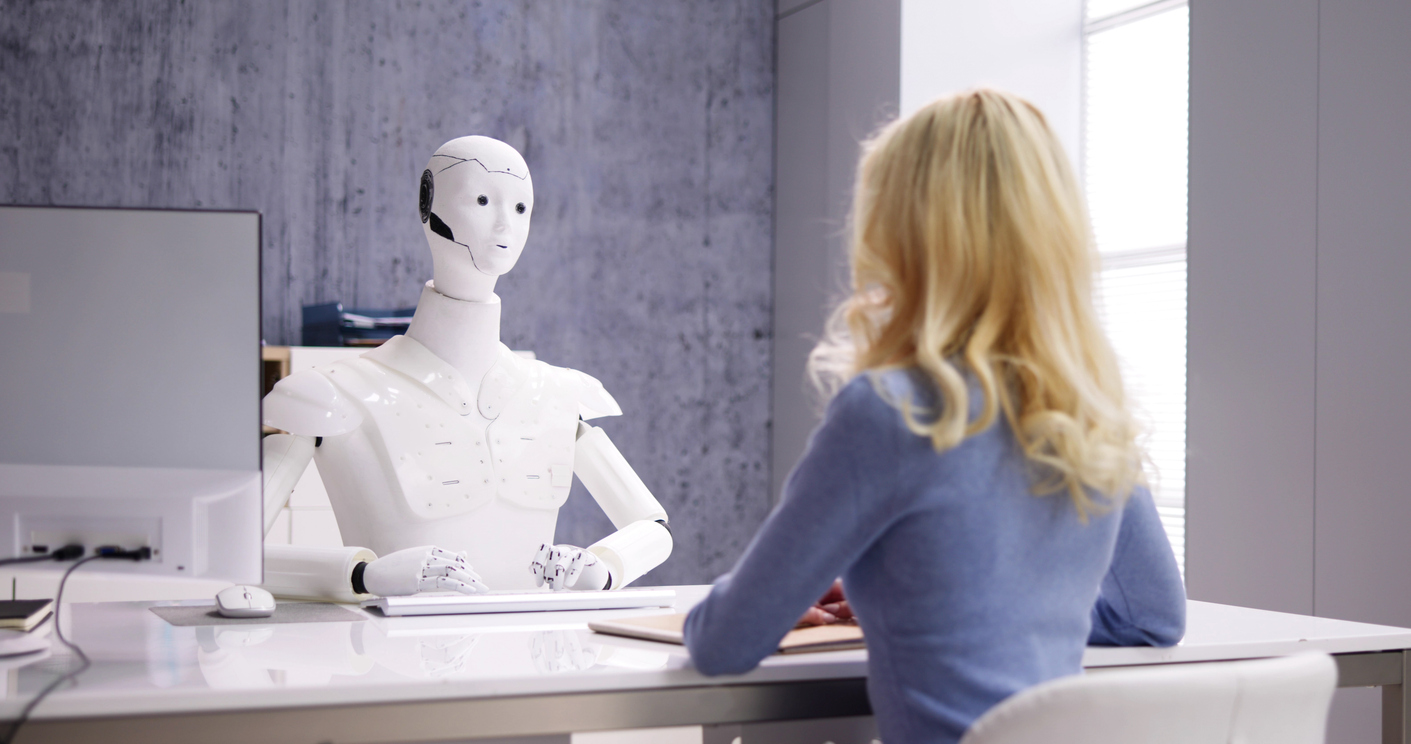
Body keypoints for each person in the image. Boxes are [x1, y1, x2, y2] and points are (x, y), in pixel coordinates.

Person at [682, 90, 1186, 744]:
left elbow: (723, 643)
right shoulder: (1088, 405)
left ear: (901, 231)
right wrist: (949, 601)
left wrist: (920, 606)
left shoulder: (890, 410)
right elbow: (1153, 615)